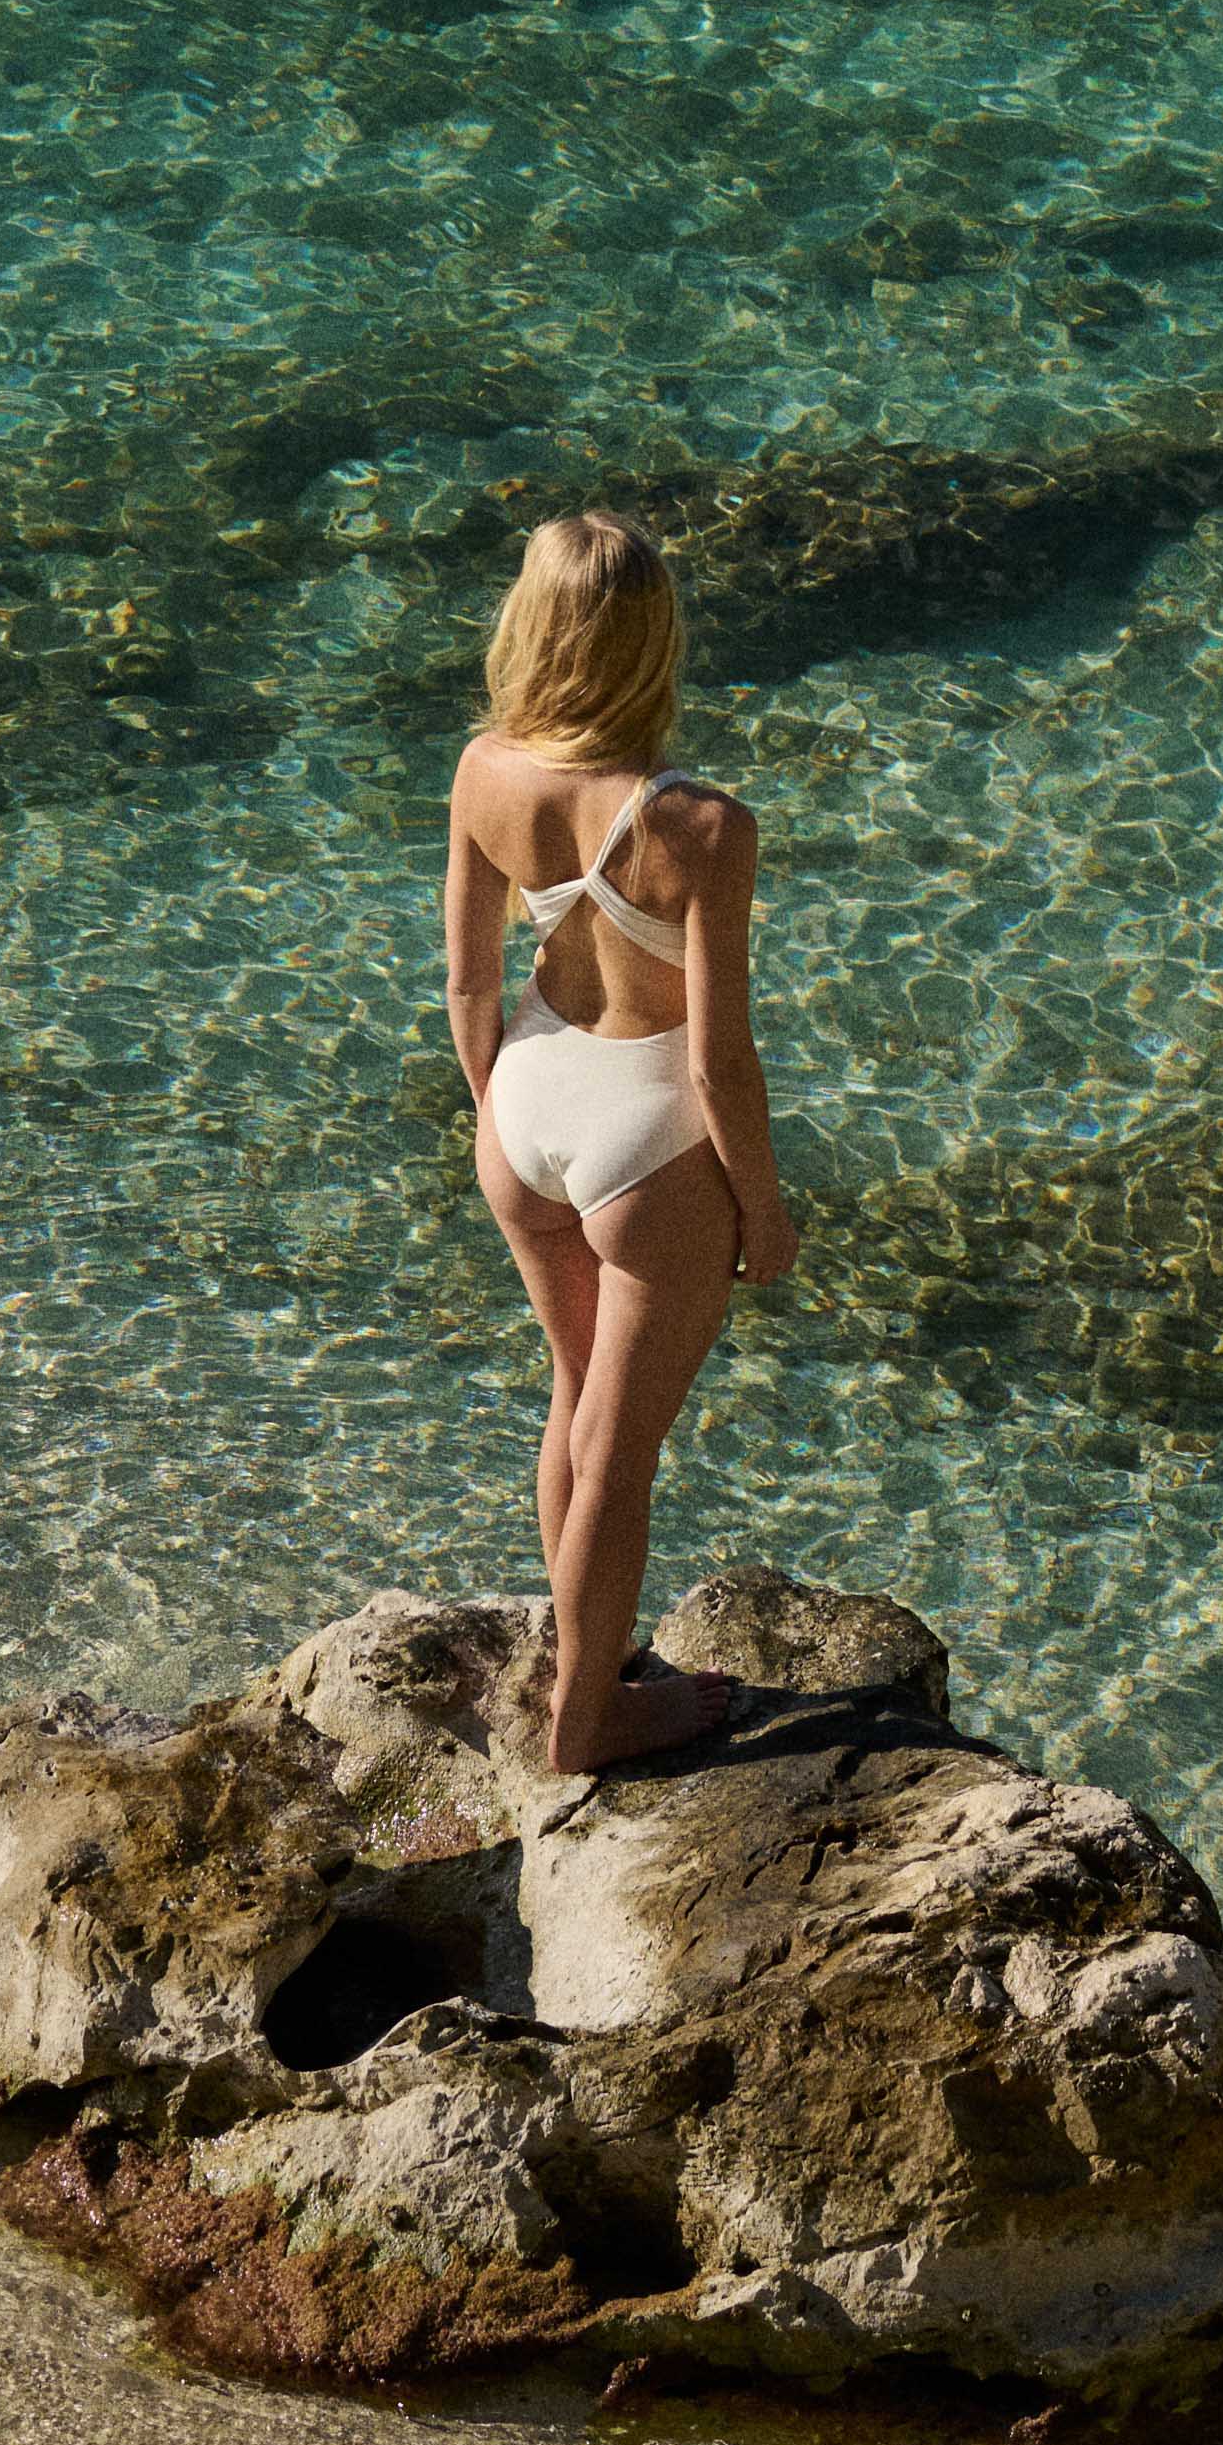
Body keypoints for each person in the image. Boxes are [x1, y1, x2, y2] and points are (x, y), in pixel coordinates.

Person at [442, 504, 797, 1776]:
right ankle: (586, 1721)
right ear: (655, 643)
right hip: (643, 1135)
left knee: (573, 1397)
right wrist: (763, 1208)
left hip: (525, 1099)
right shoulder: (699, 824)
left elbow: (470, 991)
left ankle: (580, 1655)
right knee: (622, 1450)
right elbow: (714, 1057)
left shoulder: (485, 766)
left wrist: (504, 1123)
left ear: (528, 628)